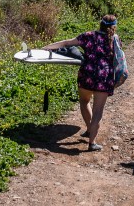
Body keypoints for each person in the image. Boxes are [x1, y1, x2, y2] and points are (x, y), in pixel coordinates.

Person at [42, 14, 119, 152]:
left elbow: (66, 43)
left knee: (84, 101)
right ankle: (92, 143)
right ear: (114, 27)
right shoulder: (114, 39)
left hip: (87, 75)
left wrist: (47, 47)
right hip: (104, 77)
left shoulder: (88, 35)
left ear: (100, 24)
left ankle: (89, 129)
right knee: (98, 111)